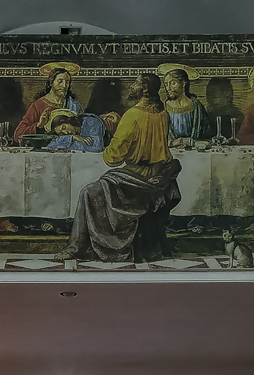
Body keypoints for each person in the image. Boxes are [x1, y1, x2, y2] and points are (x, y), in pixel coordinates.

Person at [67, 72, 181, 264]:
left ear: (144, 89)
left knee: (88, 192)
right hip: (158, 176)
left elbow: (112, 158)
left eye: (135, 83)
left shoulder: (132, 115)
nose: (131, 87)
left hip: (136, 179)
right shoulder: (163, 113)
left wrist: (113, 135)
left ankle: (80, 248)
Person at [15, 63, 105, 152]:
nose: (64, 86)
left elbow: (83, 130)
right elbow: (18, 134)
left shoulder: (73, 105)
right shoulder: (38, 105)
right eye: (60, 81)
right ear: (51, 82)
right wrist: (39, 126)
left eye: (67, 82)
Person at [158, 64, 210, 145]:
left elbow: (207, 134)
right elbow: (156, 138)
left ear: (183, 83)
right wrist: (173, 143)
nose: (168, 88)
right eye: (166, 84)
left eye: (173, 83)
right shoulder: (163, 107)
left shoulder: (197, 107)